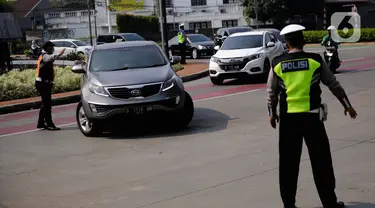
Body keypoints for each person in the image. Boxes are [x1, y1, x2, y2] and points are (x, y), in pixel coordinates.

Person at [266, 24, 358, 208]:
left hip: (288, 121)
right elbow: (333, 84)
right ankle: (329, 203)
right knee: (321, 161)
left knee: (288, 164)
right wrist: (347, 106)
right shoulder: (315, 60)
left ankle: (289, 205)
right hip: (313, 119)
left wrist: (272, 114)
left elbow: (271, 92)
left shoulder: (277, 64)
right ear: (304, 41)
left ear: (287, 43)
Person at [35, 41, 65, 131]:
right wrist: (59, 54)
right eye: (51, 47)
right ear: (46, 48)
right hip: (43, 84)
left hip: (44, 83)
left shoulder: (43, 55)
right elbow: (50, 58)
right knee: (47, 105)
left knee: (45, 104)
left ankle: (40, 123)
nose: (53, 49)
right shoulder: (44, 56)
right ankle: (49, 124)